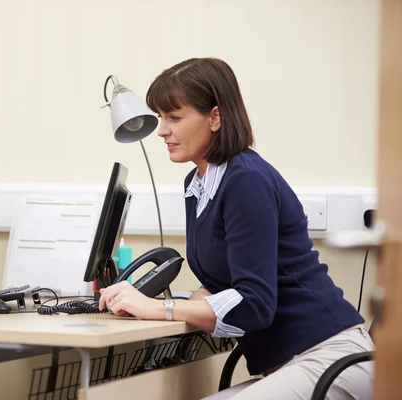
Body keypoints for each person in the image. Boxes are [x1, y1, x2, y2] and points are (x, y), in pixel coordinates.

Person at [98, 58, 374, 399]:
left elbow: (255, 303)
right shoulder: (199, 183)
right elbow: (221, 282)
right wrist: (151, 300)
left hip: (332, 359)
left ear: (215, 117)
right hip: (291, 365)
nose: (162, 131)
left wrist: (157, 308)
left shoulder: (245, 180)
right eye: (160, 118)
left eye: (174, 117)